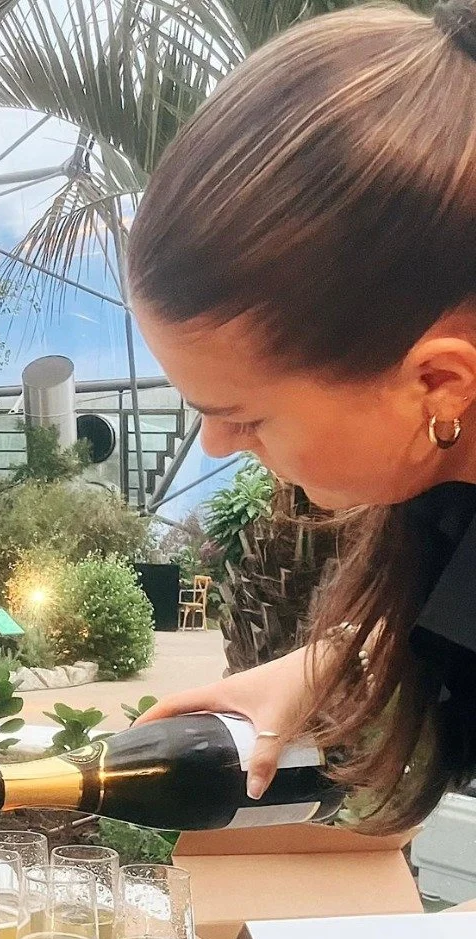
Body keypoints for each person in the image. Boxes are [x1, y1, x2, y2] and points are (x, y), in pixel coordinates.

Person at [124, 0, 476, 831]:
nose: (217, 444)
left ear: (439, 383)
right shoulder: (440, 497)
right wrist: (334, 658)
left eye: (246, 416)